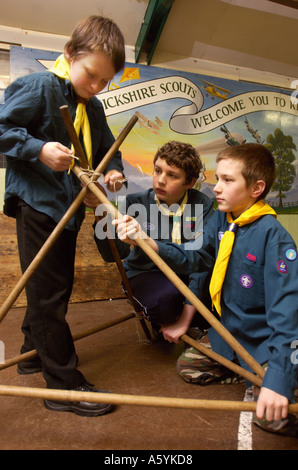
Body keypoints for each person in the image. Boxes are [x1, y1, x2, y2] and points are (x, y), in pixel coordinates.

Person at [114, 143, 298, 436]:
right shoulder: (221, 220)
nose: (216, 188)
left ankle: (270, 375)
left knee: (272, 417)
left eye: (227, 180)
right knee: (188, 367)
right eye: (217, 179)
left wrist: (278, 381)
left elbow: (286, 317)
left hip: (264, 337)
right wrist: (146, 242)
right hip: (230, 331)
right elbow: (194, 256)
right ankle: (251, 376)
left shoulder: (274, 238)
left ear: (256, 188)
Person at [0, 16, 126, 417]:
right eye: (91, 75)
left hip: (68, 211)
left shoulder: (94, 107)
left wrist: (113, 171)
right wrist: (37, 148)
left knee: (52, 287)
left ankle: (31, 353)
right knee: (49, 295)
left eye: (104, 81)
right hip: (38, 203)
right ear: (69, 54)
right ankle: (63, 386)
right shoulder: (39, 87)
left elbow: (109, 150)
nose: (95, 86)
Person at [94, 141, 214, 339]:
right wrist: (101, 217)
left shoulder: (202, 203)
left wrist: (185, 317)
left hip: (186, 271)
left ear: (190, 182)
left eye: (172, 175)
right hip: (146, 272)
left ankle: (187, 322)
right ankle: (165, 320)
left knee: (216, 290)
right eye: (157, 171)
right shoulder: (134, 202)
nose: (160, 180)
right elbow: (112, 255)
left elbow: (201, 261)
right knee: (165, 301)